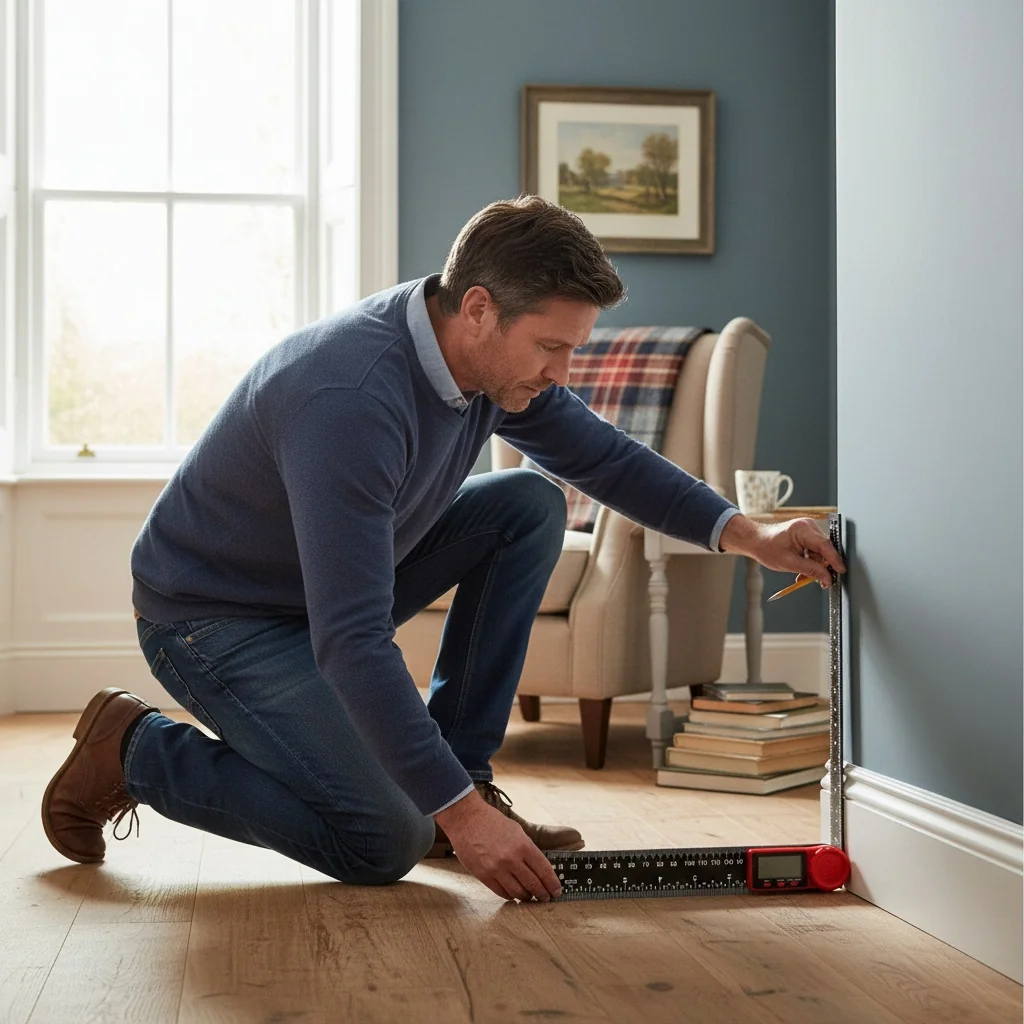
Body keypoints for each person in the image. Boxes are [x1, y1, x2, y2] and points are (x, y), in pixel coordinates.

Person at [40, 195, 845, 903]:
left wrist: (751, 535)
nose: (562, 373)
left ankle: (468, 780)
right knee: (383, 839)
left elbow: (605, 458)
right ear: (481, 309)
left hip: (316, 590)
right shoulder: (349, 399)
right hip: (216, 619)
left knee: (527, 504)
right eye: (551, 347)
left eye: (573, 348)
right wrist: (449, 816)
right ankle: (136, 751)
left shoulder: (482, 359)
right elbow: (351, 639)